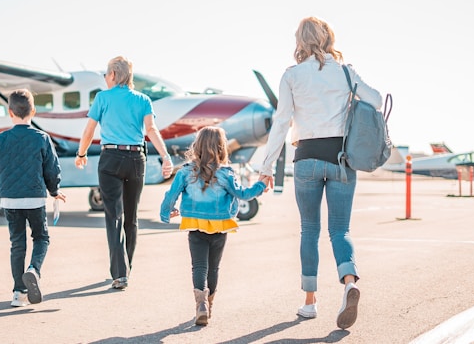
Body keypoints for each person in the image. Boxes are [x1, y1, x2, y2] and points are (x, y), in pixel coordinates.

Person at [259, 17, 382, 329]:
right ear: (328, 38)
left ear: (300, 41)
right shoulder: (345, 71)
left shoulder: (291, 76)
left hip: (306, 159)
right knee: (340, 230)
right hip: (341, 158)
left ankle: (309, 302)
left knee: (309, 230)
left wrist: (267, 166)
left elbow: (282, 121)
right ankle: (349, 282)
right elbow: (377, 101)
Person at [75, 56, 173, 290]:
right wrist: (165, 156)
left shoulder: (103, 98)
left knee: (114, 216)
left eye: (106, 75)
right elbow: (151, 129)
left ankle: (120, 273)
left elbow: (89, 130)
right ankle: (126, 266)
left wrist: (81, 153)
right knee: (132, 216)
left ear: (113, 75)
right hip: (136, 158)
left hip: (110, 159)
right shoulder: (143, 100)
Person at [160, 126, 269, 326]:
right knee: (214, 267)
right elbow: (243, 194)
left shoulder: (185, 171)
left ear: (197, 146)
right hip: (220, 225)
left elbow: (171, 194)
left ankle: (200, 304)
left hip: (195, 225)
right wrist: (261, 185)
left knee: (199, 266)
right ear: (221, 147)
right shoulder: (226, 173)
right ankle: (209, 305)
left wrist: (166, 213)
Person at [0, 89, 66, 307]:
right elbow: (51, 169)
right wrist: (54, 190)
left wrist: (4, 186)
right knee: (41, 238)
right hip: (34, 198)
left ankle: (18, 293)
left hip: (10, 199)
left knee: (17, 244)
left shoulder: (0, 139)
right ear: (33, 111)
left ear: (10, 112)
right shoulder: (42, 138)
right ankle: (34, 270)